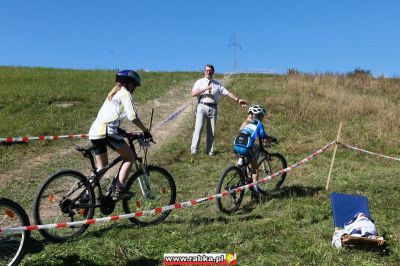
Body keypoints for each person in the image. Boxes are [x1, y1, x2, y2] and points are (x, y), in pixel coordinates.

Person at [88, 70, 152, 200]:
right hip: (106, 132)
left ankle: (85, 193)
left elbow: (108, 117)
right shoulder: (125, 93)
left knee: (101, 167)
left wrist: (122, 132)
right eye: (134, 86)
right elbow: (132, 117)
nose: (134, 89)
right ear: (129, 84)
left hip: (95, 132)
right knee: (130, 156)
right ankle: (119, 189)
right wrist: (145, 130)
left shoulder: (112, 95)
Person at [190, 64, 247, 156]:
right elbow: (193, 93)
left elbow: (227, 93)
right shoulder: (199, 82)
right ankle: (194, 151)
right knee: (198, 128)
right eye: (207, 70)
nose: (208, 72)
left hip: (213, 108)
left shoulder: (217, 84)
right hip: (202, 106)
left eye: (210, 70)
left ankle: (210, 151)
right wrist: (205, 88)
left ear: (213, 72)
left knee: (211, 130)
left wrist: (238, 100)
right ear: (204, 71)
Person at [233, 104, 278, 201]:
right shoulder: (259, 124)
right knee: (255, 168)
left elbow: (241, 130)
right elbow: (264, 137)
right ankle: (255, 191)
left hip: (236, 144)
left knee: (246, 156)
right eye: (262, 116)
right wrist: (273, 139)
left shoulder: (247, 122)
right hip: (246, 147)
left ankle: (239, 168)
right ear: (261, 116)